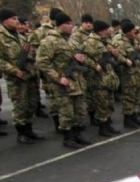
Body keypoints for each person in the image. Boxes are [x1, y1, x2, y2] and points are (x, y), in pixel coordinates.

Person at [36, 12, 90, 149]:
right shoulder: (49, 41)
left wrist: (80, 60)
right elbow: (42, 63)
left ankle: (77, 135)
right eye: (69, 24)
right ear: (61, 25)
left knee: (80, 111)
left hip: (76, 82)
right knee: (67, 112)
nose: (72, 26)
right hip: (63, 84)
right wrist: (58, 78)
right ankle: (68, 138)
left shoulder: (70, 40)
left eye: (72, 23)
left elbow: (74, 58)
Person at [0, 8, 42, 144]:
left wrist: (32, 54)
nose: (17, 21)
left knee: (31, 104)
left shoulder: (20, 36)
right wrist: (14, 71)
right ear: (4, 20)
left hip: (28, 75)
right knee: (20, 106)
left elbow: (29, 53)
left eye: (17, 18)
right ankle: (21, 133)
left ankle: (29, 130)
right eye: (13, 19)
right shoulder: (1, 37)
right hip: (16, 78)